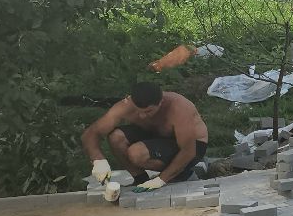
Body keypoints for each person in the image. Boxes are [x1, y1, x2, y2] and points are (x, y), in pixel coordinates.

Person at [82, 82, 210, 191]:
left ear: (161, 102)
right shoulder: (125, 105)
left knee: (136, 153)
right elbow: (92, 133)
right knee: (116, 137)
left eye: (148, 111)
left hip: (193, 146)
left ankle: (183, 174)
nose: (142, 116)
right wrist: (98, 160)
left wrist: (161, 180)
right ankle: (140, 179)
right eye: (137, 111)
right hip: (157, 135)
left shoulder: (179, 107)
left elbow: (188, 151)